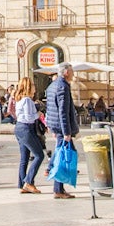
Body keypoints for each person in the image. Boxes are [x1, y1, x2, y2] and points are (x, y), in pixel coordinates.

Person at [45, 63, 79, 199]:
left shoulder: (52, 85)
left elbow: (50, 108)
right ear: (66, 72)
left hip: (56, 125)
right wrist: (66, 132)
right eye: (72, 71)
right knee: (62, 155)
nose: (73, 74)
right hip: (61, 127)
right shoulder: (63, 87)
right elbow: (62, 111)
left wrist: (51, 127)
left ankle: (57, 186)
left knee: (62, 153)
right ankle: (57, 188)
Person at [12, 77, 45, 194]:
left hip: (19, 128)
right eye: (33, 85)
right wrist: (38, 114)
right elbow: (29, 117)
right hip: (26, 128)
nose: (35, 88)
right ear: (28, 87)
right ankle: (29, 182)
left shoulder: (19, 100)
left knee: (24, 158)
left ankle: (21, 184)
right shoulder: (27, 101)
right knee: (39, 155)